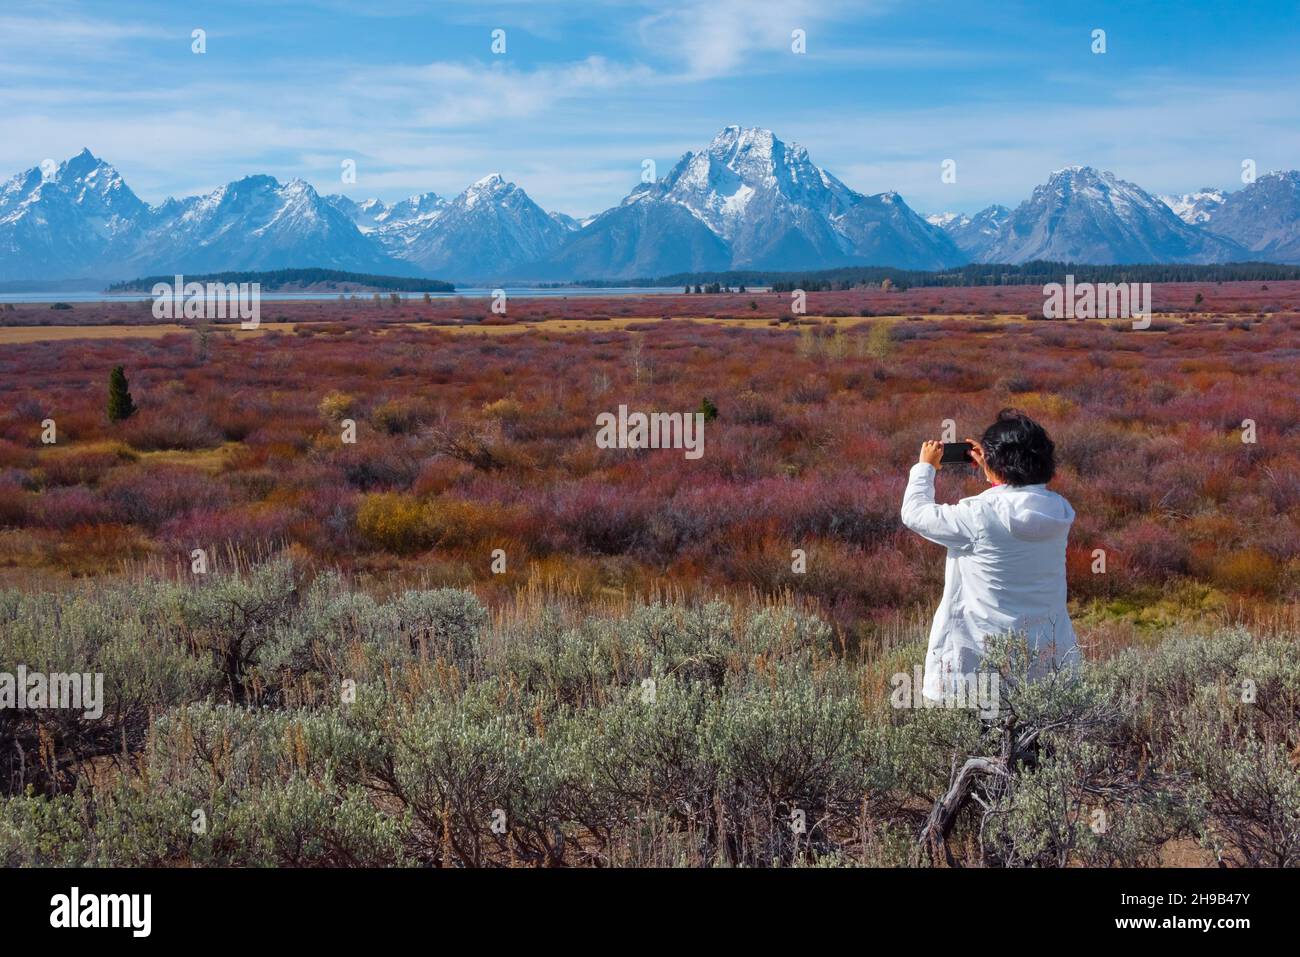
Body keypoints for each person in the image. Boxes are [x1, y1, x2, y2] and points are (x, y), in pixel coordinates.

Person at [900, 409, 1076, 702]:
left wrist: (925, 468)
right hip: (1045, 666)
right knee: (1036, 745)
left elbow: (915, 513)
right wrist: (996, 473)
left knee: (978, 746)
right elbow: (1019, 500)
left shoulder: (979, 515)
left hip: (980, 669)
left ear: (998, 466)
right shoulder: (1058, 511)